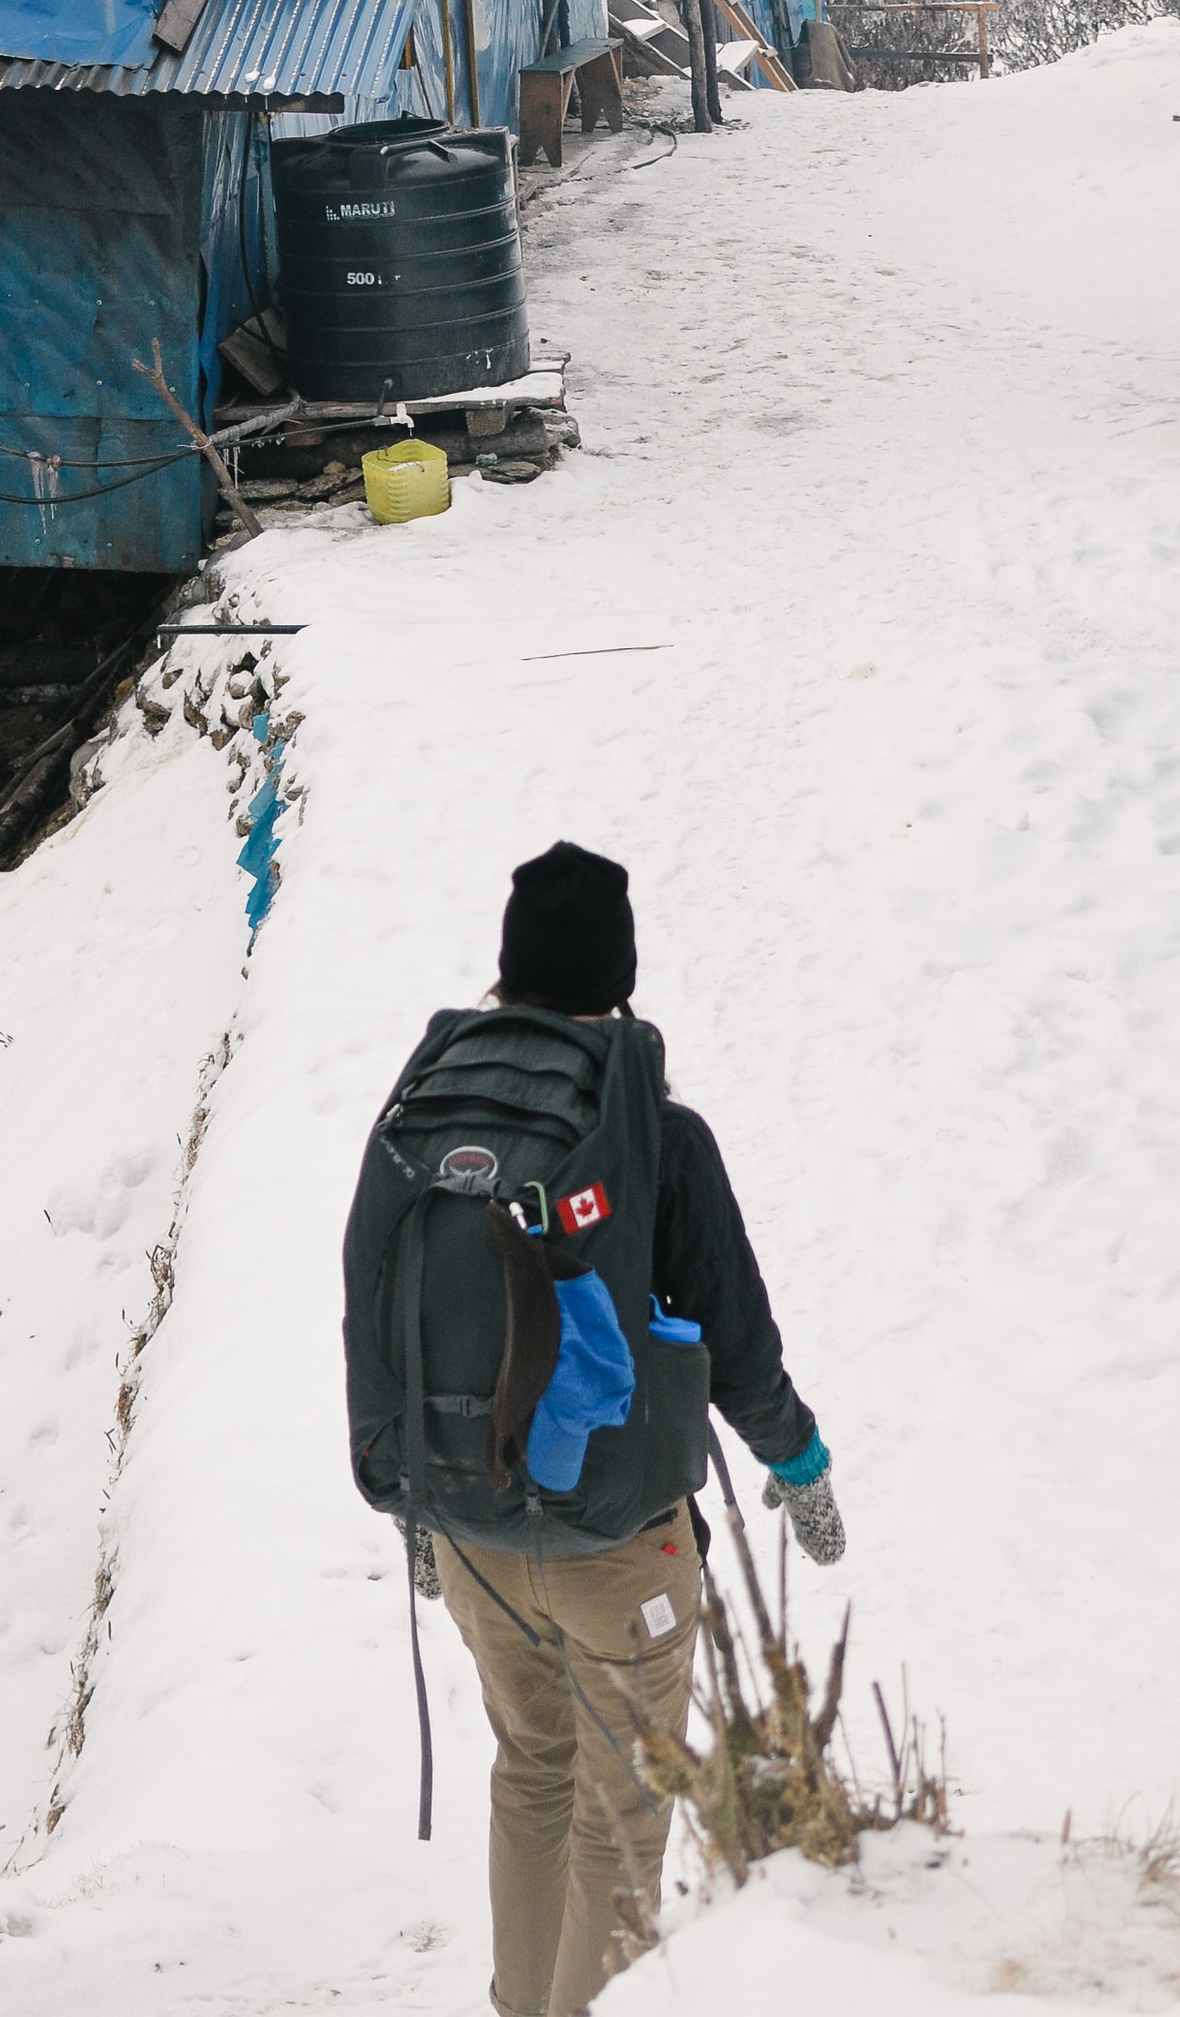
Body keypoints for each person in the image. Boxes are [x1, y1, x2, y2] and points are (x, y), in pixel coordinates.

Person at [428, 841, 841, 2017]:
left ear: (505, 975)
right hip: (619, 1546)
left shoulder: (440, 1119)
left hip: (472, 1534)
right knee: (620, 1809)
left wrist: (425, 1501)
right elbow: (738, 1340)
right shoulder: (658, 1138)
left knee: (531, 1775)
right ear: (620, 984)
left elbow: (407, 1323)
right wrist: (796, 1460)